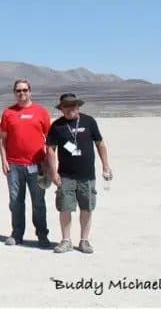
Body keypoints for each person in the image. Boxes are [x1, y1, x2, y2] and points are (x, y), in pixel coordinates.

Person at [46, 93, 112, 254]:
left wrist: (106, 166)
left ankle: (84, 241)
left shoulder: (89, 121)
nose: (69, 109)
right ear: (61, 108)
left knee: (87, 207)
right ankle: (66, 240)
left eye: (72, 105)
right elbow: (50, 150)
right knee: (65, 208)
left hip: (87, 175)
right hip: (66, 175)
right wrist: (53, 172)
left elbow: (100, 143)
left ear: (78, 106)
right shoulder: (57, 126)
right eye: (66, 106)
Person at [0, 79, 52, 248]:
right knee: (15, 201)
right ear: (14, 93)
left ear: (30, 91)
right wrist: (4, 160)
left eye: (24, 90)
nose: (21, 93)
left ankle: (42, 235)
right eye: (18, 90)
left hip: (38, 166)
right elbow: (2, 139)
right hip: (14, 166)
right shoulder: (8, 113)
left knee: (38, 202)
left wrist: (49, 163)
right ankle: (17, 233)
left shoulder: (41, 112)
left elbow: (50, 140)